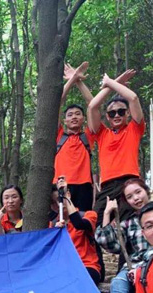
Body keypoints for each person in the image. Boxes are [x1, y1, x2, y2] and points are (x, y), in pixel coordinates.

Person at [95, 178, 153, 293]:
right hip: (134, 265)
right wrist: (107, 213)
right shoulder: (129, 222)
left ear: (146, 191)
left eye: (138, 192)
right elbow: (108, 243)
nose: (136, 198)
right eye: (130, 197)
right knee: (117, 283)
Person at [87, 70, 144, 223]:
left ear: (128, 114)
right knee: (95, 223)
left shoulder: (134, 128)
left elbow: (133, 98)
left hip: (129, 182)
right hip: (107, 186)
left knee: (131, 223)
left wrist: (110, 82)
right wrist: (113, 83)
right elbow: (92, 106)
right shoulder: (102, 133)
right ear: (107, 117)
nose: (116, 115)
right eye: (112, 113)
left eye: (121, 112)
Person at [55, 62, 95, 212]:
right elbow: (58, 102)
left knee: (83, 222)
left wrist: (78, 80)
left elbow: (92, 103)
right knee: (62, 223)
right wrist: (72, 79)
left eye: (78, 114)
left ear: (83, 118)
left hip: (84, 186)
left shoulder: (87, 136)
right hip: (61, 184)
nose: (74, 117)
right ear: (65, 120)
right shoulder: (59, 135)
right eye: (70, 115)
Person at [52, 179, 101, 284]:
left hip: (87, 266)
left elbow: (79, 224)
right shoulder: (52, 225)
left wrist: (65, 196)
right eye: (56, 201)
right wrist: (54, 233)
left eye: (60, 199)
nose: (60, 203)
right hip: (64, 269)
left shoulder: (89, 215)